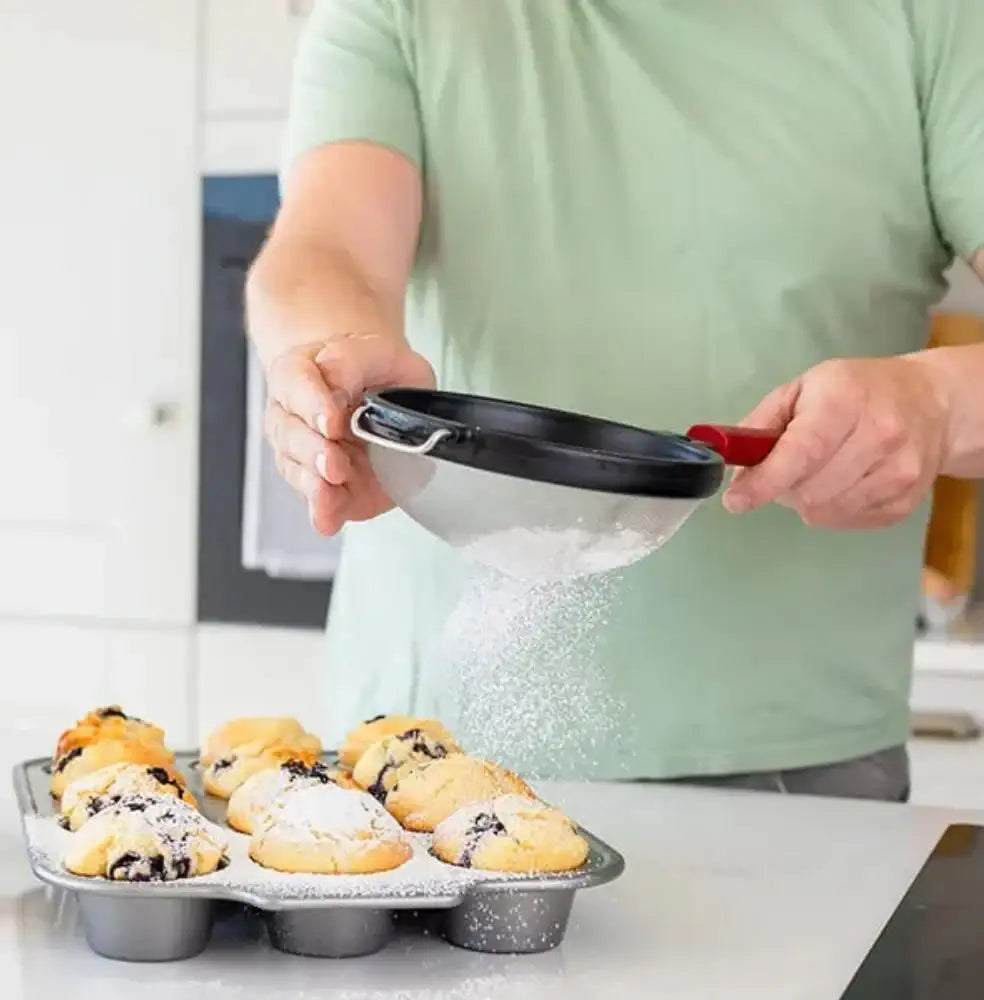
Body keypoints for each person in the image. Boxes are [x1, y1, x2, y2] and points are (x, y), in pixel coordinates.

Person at [246, 0, 984, 801]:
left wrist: (938, 403)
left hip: (798, 757)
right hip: (425, 757)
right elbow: (324, 246)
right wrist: (327, 361)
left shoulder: (933, 17)